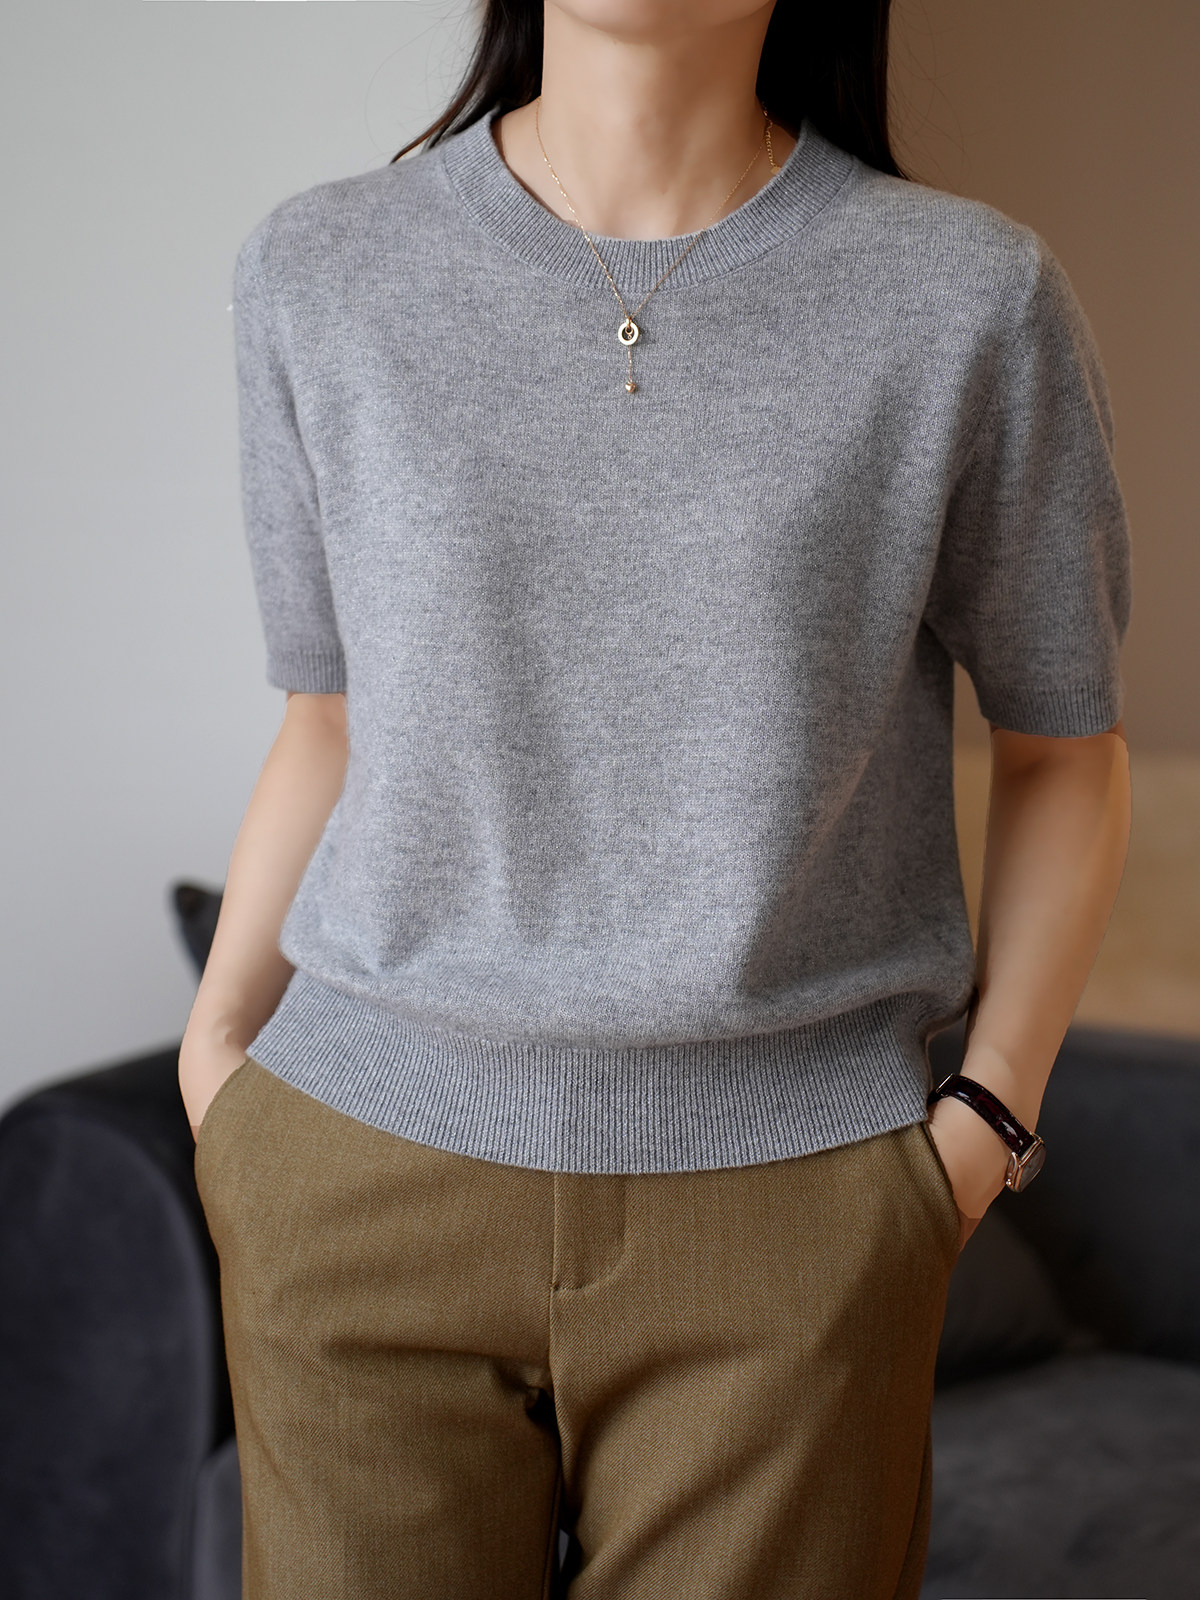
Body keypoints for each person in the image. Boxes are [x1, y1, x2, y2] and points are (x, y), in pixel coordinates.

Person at [179, 2, 1133, 1596]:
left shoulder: (970, 296)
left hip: (791, 1217)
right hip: (352, 1175)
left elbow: (1062, 748)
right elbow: (327, 718)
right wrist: (221, 1062)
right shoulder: (320, 269)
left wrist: (984, 1128)